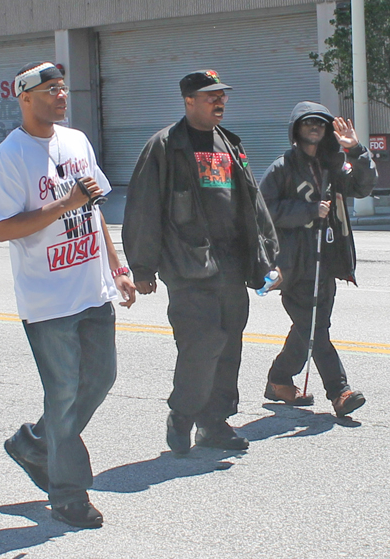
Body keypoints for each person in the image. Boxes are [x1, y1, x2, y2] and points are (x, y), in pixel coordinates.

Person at [0, 61, 136, 529]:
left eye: (64, 89)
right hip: (48, 302)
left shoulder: (77, 142)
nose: (61, 96)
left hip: (92, 289)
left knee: (101, 379)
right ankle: (68, 494)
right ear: (25, 98)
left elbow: (92, 214)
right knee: (64, 394)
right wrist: (63, 204)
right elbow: (3, 228)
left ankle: (33, 444)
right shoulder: (7, 157)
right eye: (51, 90)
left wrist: (119, 267)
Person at [122, 70, 279, 454]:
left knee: (229, 346)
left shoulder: (229, 144)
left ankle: (214, 423)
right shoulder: (164, 146)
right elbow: (143, 208)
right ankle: (182, 413)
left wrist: (266, 259)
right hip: (187, 264)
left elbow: (252, 204)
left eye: (221, 95)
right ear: (188, 100)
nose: (219, 101)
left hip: (230, 264)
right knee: (201, 344)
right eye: (210, 96)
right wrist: (142, 268)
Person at [259, 101, 378, 417]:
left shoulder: (333, 166)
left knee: (310, 327)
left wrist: (356, 151)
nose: (315, 127)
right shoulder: (282, 168)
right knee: (315, 329)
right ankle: (339, 391)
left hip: (326, 262)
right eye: (307, 122)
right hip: (293, 266)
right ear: (296, 129)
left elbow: (364, 187)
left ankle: (279, 379)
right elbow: (263, 211)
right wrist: (308, 211)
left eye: (320, 123)